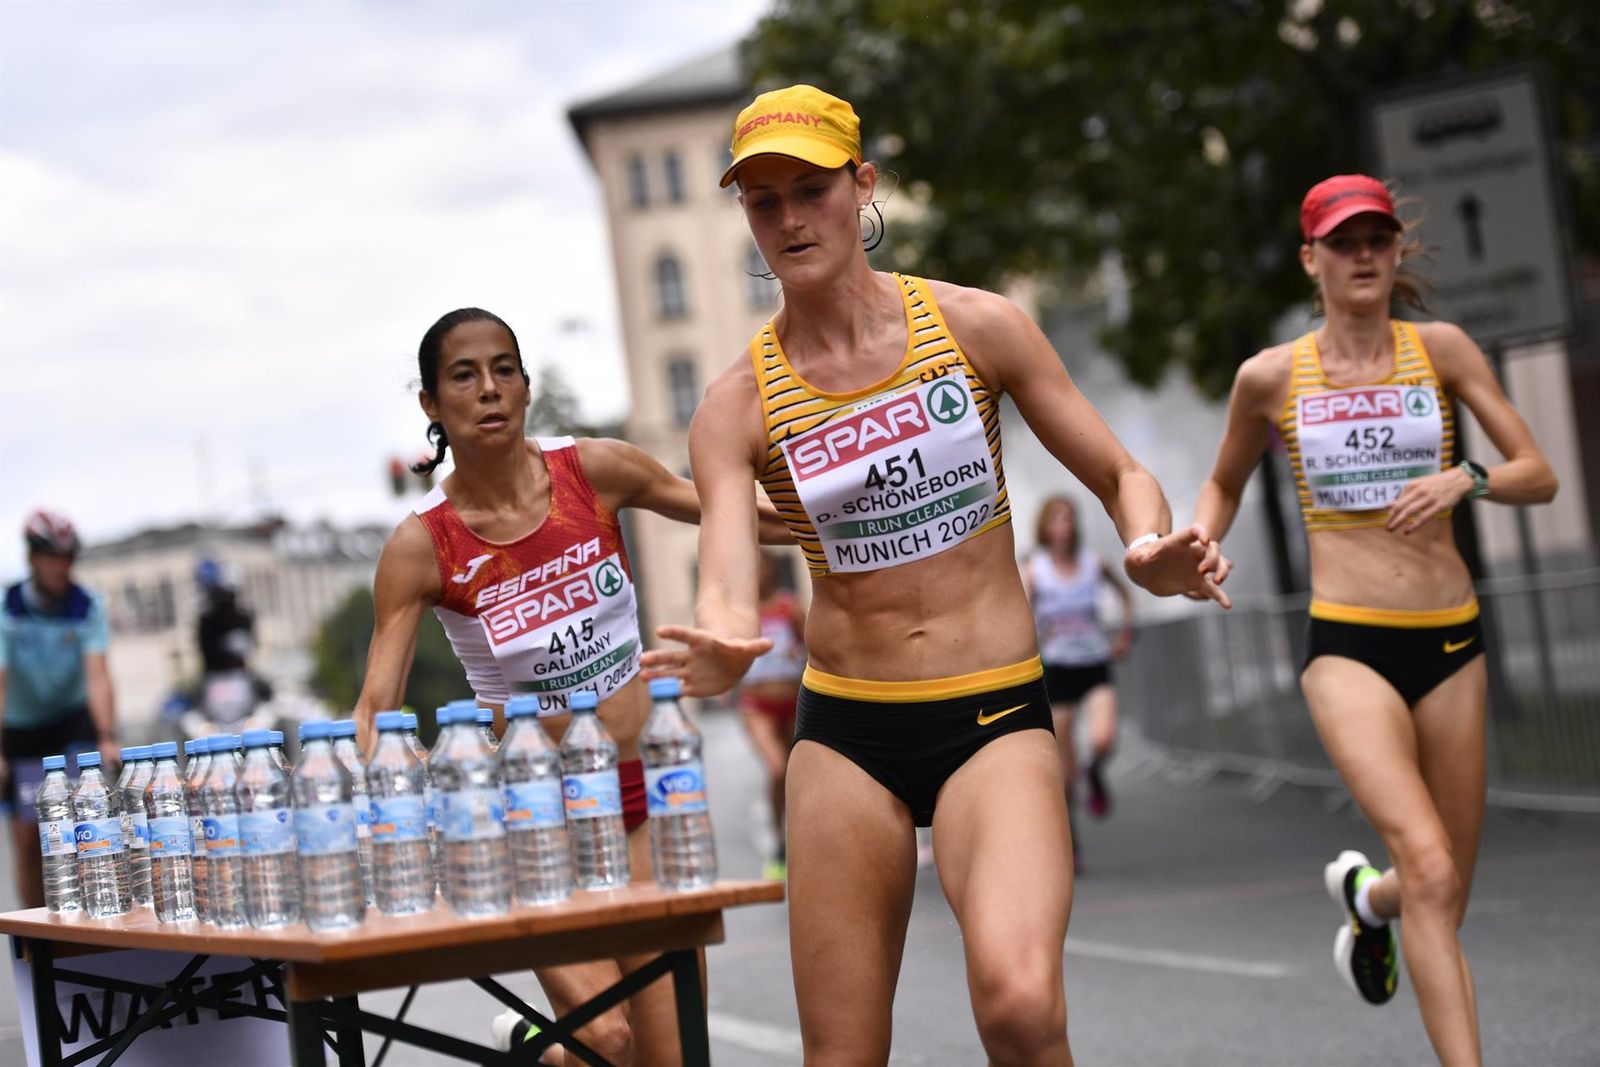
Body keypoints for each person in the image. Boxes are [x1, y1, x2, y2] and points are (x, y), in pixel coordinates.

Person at [642, 85, 1228, 1066]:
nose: (790, 219)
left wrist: (1143, 545)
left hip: (992, 713)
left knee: (1022, 1007)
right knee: (842, 1056)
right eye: (763, 201)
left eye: (811, 189)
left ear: (862, 185)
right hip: (848, 732)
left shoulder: (976, 326)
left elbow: (1121, 472)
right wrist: (724, 638)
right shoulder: (734, 406)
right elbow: (728, 577)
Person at [352, 307, 787, 1067]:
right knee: (607, 1039)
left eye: (504, 369)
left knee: (671, 1057)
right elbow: (375, 708)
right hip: (532, 815)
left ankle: (534, 1053)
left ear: (525, 386)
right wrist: (390, 797)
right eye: (464, 376)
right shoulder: (423, 544)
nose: (489, 389)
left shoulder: (595, 471)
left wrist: (846, 518)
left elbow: (728, 513)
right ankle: (551, 1046)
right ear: (432, 403)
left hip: (637, 792)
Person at [1194, 175, 1557, 1067]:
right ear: (1310, 259)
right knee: (1431, 865)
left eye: (1377, 240)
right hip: (1349, 644)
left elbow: (1538, 472)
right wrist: (1198, 542)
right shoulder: (1271, 375)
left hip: (1451, 640)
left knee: (1442, 883)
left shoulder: (1442, 350)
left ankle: (1369, 900)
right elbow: (1225, 483)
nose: (1363, 255)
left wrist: (1467, 477)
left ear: (1397, 253)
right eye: (1343, 242)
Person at [0, 510, 119, 908]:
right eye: (52, 557)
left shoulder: (86, 605)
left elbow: (98, 675)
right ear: (32, 558)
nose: (61, 567)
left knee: (85, 821)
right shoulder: (7, 608)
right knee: (28, 836)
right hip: (21, 729)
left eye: (67, 558)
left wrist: (107, 736)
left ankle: (89, 920)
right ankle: (34, 931)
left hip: (72, 721)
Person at [1021, 495, 1133, 852]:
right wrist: (1034, 641)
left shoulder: (1093, 563)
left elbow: (1125, 594)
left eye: (1069, 519)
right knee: (1065, 771)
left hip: (1094, 663)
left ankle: (1095, 771)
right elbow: (1019, 616)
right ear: (1045, 527)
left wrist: (1125, 634)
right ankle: (1071, 841)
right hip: (1058, 669)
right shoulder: (1036, 570)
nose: (1065, 527)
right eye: (1057, 520)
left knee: (1104, 739)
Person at [735, 550, 806, 880]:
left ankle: (803, 840)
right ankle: (778, 844)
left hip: (794, 701)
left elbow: (815, 646)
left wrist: (798, 653)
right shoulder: (740, 614)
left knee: (797, 775)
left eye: (763, 564)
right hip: (757, 705)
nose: (758, 571)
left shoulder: (790, 608)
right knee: (778, 769)